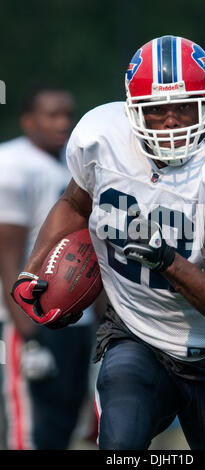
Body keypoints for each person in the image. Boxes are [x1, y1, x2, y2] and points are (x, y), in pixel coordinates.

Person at [11, 36, 205, 450]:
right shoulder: (102, 136)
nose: (172, 120)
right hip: (133, 332)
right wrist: (34, 269)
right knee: (121, 445)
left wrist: (167, 261)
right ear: (131, 108)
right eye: (156, 110)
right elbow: (73, 204)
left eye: (184, 106)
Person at [0, 85, 95, 449]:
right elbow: (7, 258)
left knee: (63, 426)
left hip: (74, 321)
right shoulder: (13, 165)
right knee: (28, 432)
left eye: (67, 116)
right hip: (31, 320)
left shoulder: (71, 169)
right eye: (52, 115)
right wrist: (30, 337)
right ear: (27, 120)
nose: (63, 123)